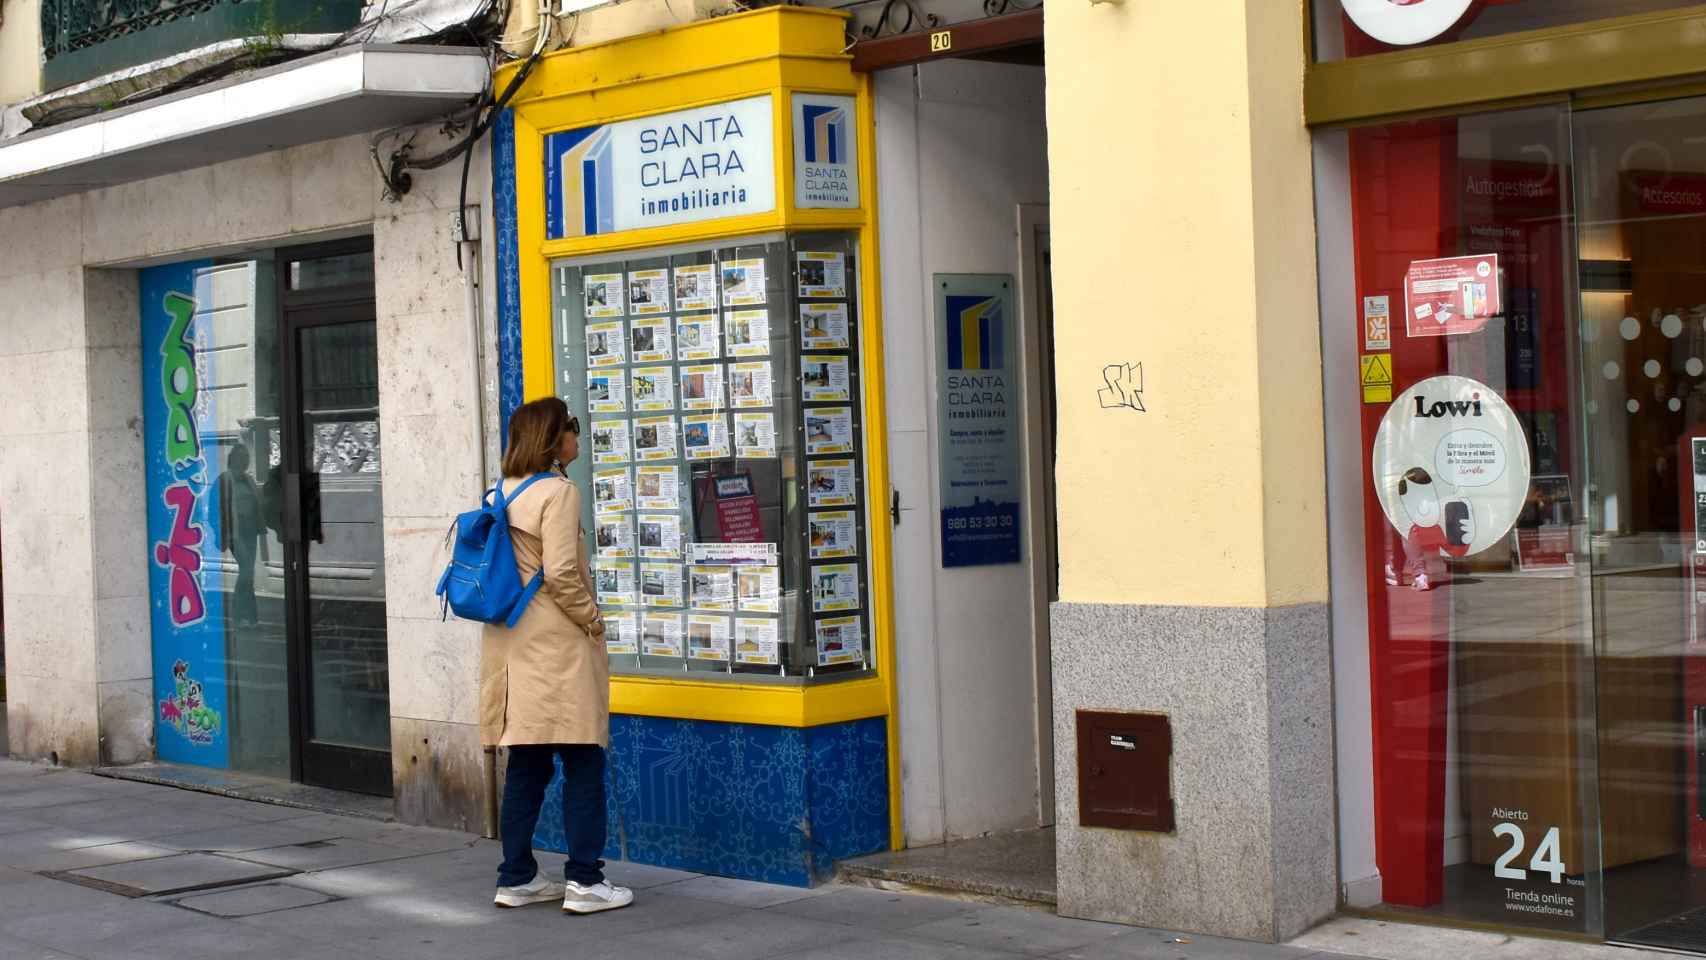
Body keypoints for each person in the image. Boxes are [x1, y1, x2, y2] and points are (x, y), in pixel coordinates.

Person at [482, 397, 632, 914]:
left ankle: (517, 876)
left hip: (513, 649)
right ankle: (586, 880)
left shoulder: (498, 492)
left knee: (526, 764)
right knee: (584, 760)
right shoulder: (559, 492)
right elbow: (563, 573)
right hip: (557, 650)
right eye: (571, 427)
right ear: (553, 439)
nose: (577, 435)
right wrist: (593, 619)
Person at [217, 443, 261, 626]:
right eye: (241, 457)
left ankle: (250, 617)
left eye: (246, 457)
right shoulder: (224, 479)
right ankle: (238, 614)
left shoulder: (249, 480)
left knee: (248, 573)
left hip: (250, 531)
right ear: (233, 458)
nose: (245, 460)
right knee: (246, 571)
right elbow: (216, 507)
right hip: (234, 532)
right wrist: (222, 532)